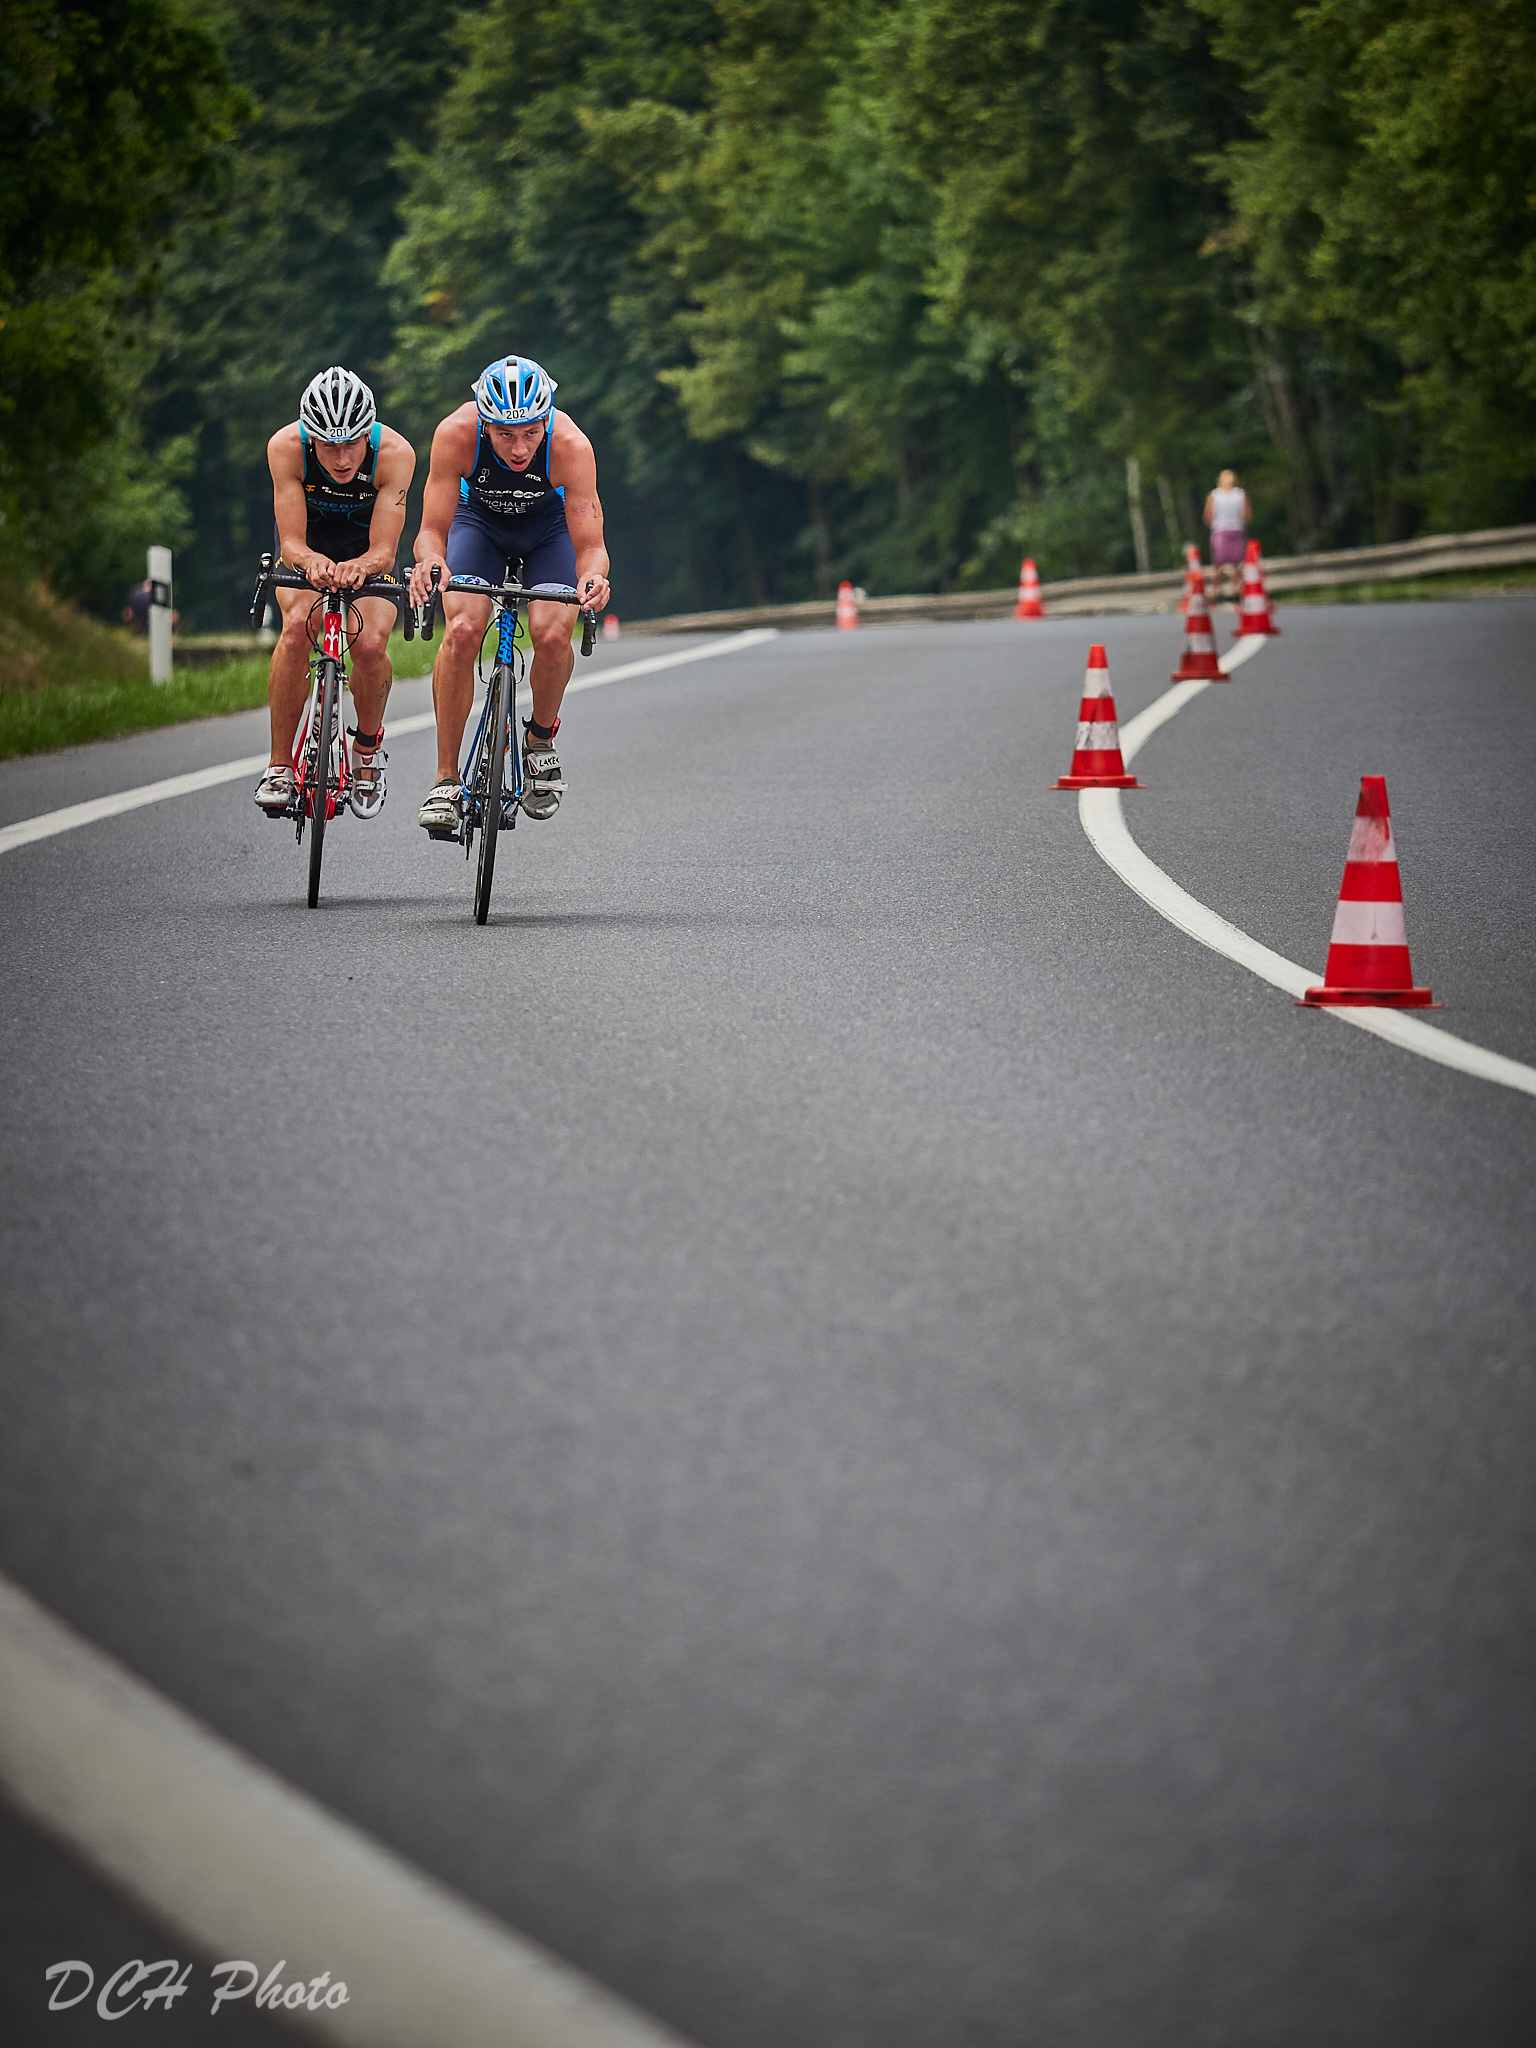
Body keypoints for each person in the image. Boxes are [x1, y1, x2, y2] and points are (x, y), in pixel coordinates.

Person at [407, 356, 610, 834]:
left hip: (548, 532)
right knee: (461, 630)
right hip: (478, 525)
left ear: (546, 420)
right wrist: (431, 563)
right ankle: (445, 780)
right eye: (503, 434)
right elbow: (431, 532)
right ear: (483, 421)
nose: (519, 448)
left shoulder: (570, 446)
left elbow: (592, 546)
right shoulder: (456, 434)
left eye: (529, 433)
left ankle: (539, 740)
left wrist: (594, 579)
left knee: (552, 632)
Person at [254, 366, 415, 818]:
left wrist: (361, 566)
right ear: (310, 438)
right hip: (310, 545)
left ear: (369, 433)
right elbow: (290, 544)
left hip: (367, 549)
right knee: (294, 630)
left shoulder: (395, 453)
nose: (342, 459)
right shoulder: (285, 448)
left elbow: (384, 551)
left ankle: (366, 752)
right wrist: (310, 562)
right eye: (328, 445)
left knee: (367, 644)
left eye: (352, 443)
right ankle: (280, 766)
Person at [1203, 468, 1251, 603]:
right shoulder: (1240, 494)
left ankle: (1217, 591)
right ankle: (1236, 589)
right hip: (1237, 529)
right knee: (1237, 563)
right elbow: (1247, 515)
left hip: (1220, 530)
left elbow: (1208, 516)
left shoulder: (1214, 495)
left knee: (1218, 564)